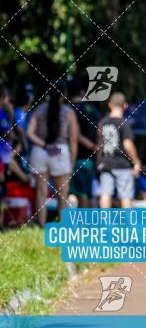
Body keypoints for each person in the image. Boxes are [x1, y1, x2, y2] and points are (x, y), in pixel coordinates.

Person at [27, 79, 79, 226]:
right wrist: (72, 162)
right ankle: (61, 227)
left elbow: (30, 133)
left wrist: (43, 144)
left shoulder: (39, 110)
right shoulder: (68, 112)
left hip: (40, 152)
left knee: (41, 193)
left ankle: (42, 227)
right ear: (64, 94)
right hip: (60, 153)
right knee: (62, 195)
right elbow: (73, 139)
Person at [96, 92, 141, 209]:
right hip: (122, 164)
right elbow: (127, 144)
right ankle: (129, 225)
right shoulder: (124, 123)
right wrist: (136, 161)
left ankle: (105, 225)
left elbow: (99, 145)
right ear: (125, 105)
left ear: (110, 105)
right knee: (125, 196)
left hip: (105, 163)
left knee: (105, 193)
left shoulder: (102, 123)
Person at [68, 78, 102, 208]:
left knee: (78, 192)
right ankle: (90, 223)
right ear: (82, 92)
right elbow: (100, 131)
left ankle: (81, 224)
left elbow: (74, 135)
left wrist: (91, 146)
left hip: (77, 158)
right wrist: (97, 148)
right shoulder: (93, 109)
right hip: (91, 159)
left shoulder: (70, 109)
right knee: (89, 193)